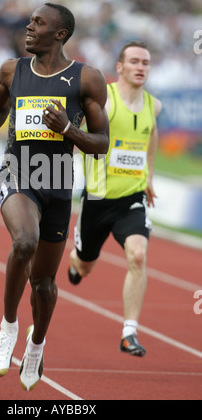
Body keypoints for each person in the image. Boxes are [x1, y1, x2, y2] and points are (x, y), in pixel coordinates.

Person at [0, 2, 109, 390]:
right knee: (24, 241)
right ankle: (8, 328)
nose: (28, 27)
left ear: (59, 34)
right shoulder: (13, 70)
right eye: (29, 21)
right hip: (17, 171)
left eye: (38, 23)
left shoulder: (87, 79)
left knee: (43, 284)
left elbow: (102, 143)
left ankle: (37, 344)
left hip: (58, 180)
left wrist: (69, 131)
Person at [68, 41, 162, 357]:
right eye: (134, 61)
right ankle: (76, 264)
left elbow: (151, 136)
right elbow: (75, 135)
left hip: (131, 199)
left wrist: (148, 176)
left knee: (138, 254)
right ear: (119, 67)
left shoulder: (154, 105)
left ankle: (129, 332)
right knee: (85, 266)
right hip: (97, 199)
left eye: (146, 63)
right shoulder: (104, 101)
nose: (141, 67)